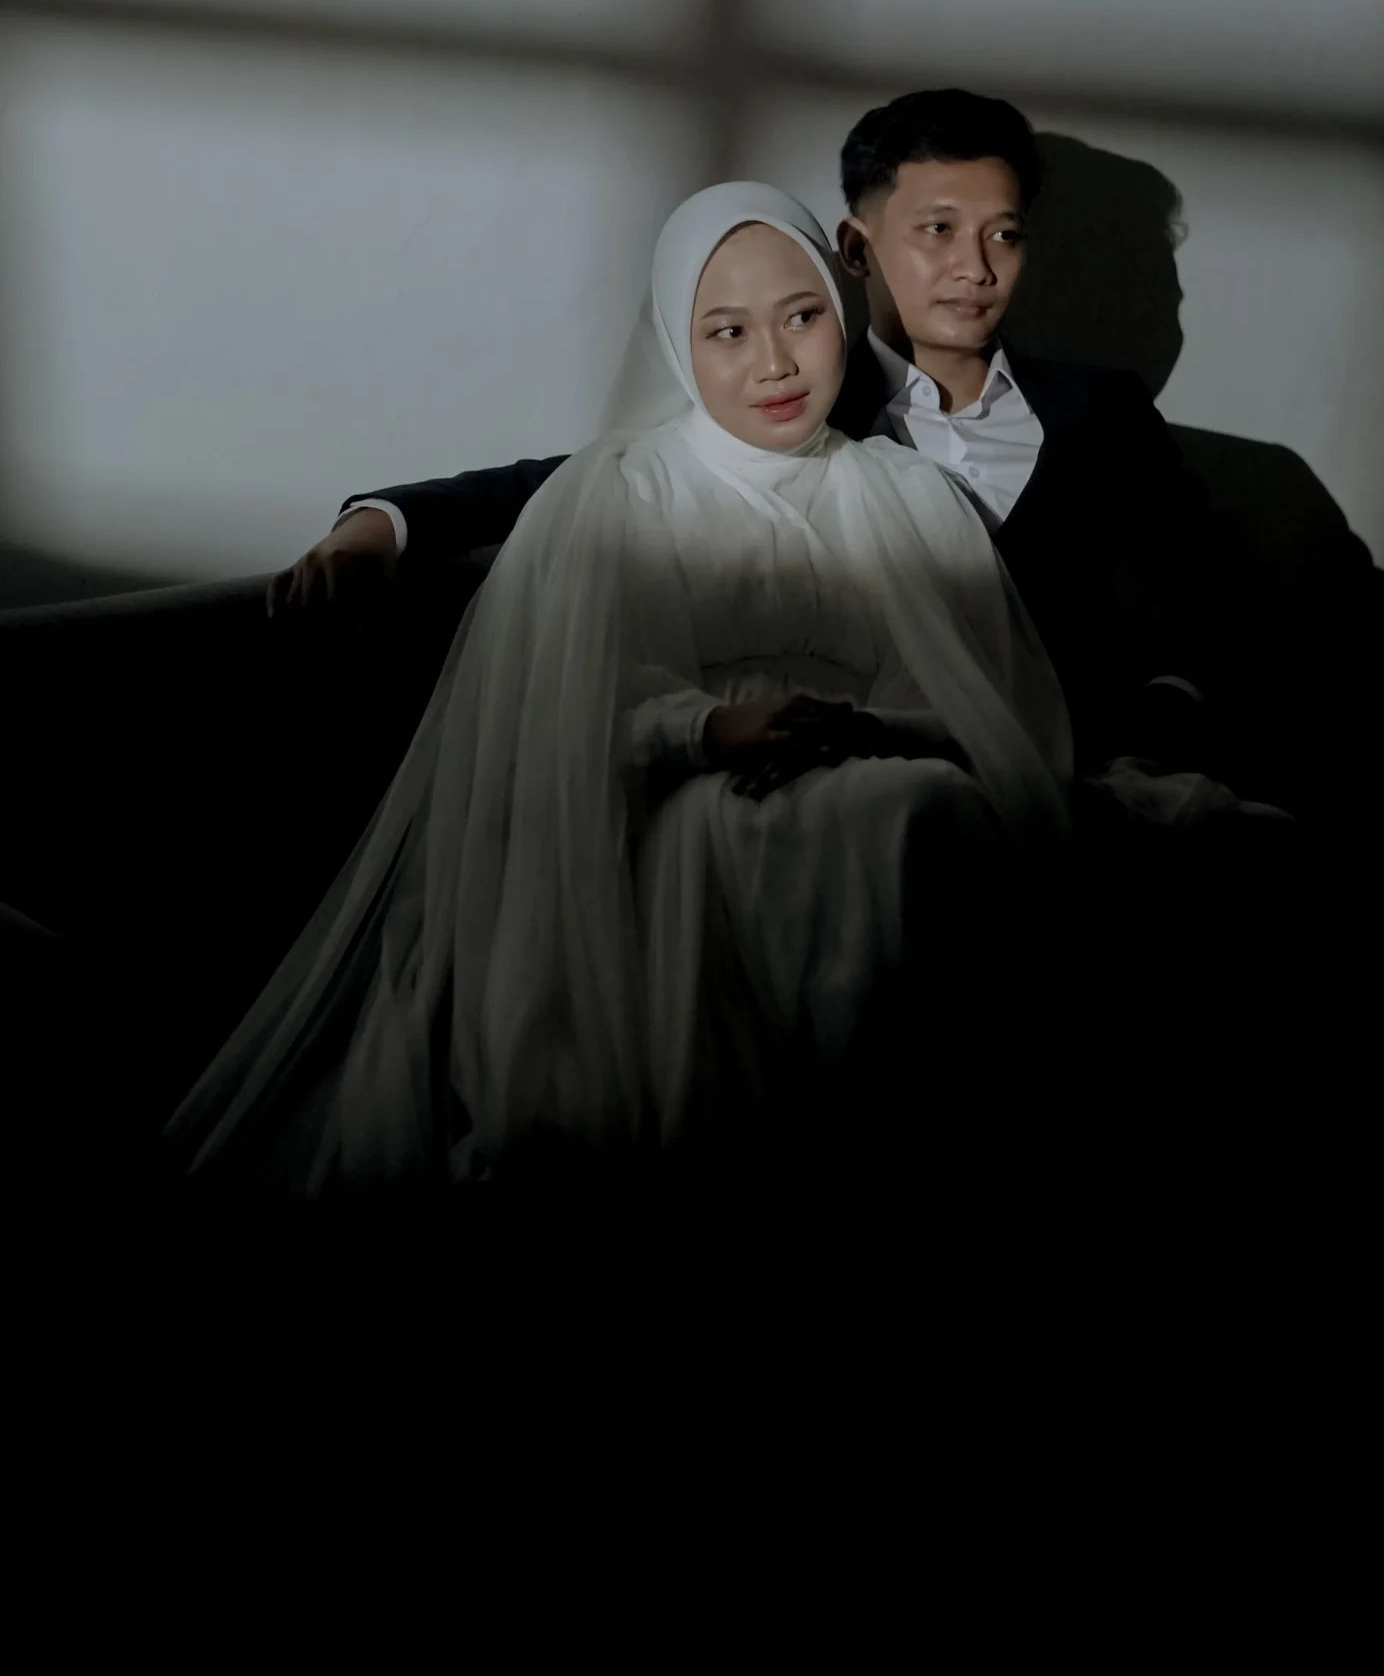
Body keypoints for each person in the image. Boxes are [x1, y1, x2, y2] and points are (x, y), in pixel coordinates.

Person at [164, 184, 1097, 1196]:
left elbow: (962, 677)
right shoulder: (621, 491)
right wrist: (712, 730)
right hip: (681, 794)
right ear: (677, 346)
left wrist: (859, 729)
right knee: (905, 818)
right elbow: (564, 707)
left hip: (865, 754)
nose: (775, 362)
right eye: (727, 331)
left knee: (929, 807)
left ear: (841, 307)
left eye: (802, 316)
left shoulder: (905, 491)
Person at [278, 91, 1316, 809]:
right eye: (937, 230)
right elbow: (584, 482)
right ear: (855, 247)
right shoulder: (792, 397)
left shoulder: (1100, 412)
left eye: (1002, 234)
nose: (974, 267)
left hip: (1064, 765)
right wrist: (383, 521)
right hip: (868, 780)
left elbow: (1222, 603)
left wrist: (1164, 714)